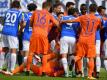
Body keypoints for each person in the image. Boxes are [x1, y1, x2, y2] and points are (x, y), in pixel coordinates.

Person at [61, 4, 102, 79]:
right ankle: (90, 76)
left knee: (79, 55)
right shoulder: (98, 19)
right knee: (91, 58)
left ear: (89, 9)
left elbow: (72, 20)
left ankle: (74, 59)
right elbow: (99, 27)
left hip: (82, 39)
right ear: (96, 10)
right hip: (91, 40)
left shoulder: (83, 17)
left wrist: (63, 21)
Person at [26, 1, 59, 75]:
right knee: (44, 54)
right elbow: (57, 24)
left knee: (31, 52)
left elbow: (31, 24)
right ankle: (43, 72)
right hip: (43, 35)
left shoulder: (35, 12)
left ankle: (27, 70)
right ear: (49, 7)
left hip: (35, 33)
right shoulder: (49, 14)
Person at [1, 0, 25, 73]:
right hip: (12, 32)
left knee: (4, 50)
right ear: (18, 6)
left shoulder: (7, 11)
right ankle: (11, 70)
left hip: (4, 31)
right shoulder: (19, 12)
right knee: (13, 51)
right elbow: (22, 24)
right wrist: (20, 30)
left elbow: (3, 21)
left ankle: (0, 67)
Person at [60, 8, 79, 77]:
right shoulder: (76, 19)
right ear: (74, 12)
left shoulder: (63, 17)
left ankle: (66, 73)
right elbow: (78, 29)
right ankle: (72, 73)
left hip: (64, 36)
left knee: (64, 55)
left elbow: (59, 26)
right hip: (73, 37)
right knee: (72, 55)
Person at [95, 6, 106, 78]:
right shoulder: (101, 18)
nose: (104, 12)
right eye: (103, 11)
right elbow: (100, 27)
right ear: (100, 11)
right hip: (98, 37)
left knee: (91, 56)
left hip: (91, 37)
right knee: (98, 55)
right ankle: (97, 72)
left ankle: (91, 72)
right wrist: (104, 26)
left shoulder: (92, 16)